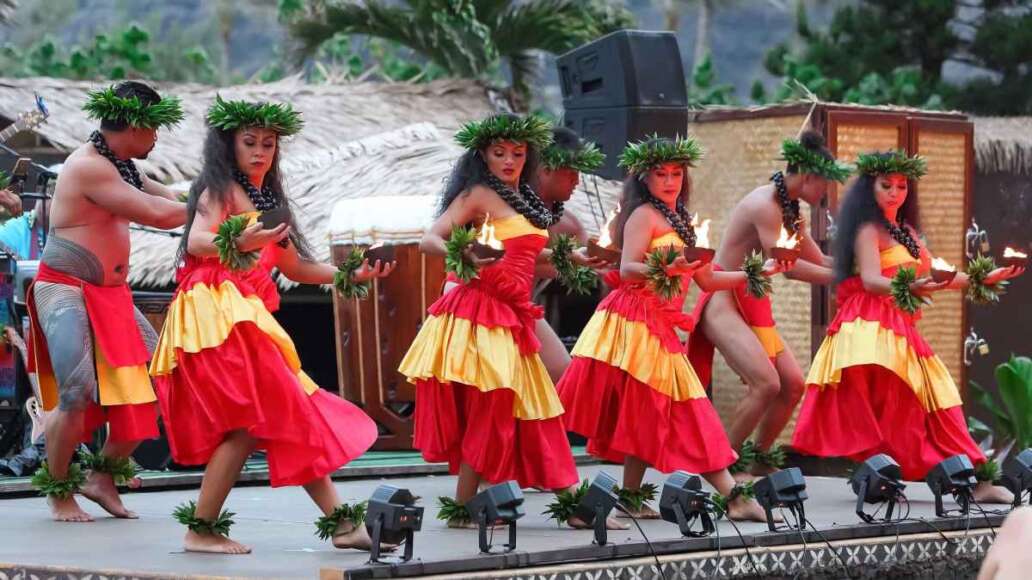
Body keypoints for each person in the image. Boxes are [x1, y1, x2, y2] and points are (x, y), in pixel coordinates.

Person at [149, 96, 393, 554]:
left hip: (245, 316)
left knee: (287, 413)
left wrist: (350, 273)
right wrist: (238, 241)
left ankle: (343, 524)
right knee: (249, 423)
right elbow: (197, 240)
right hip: (214, 314)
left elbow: (296, 267)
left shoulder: (270, 202)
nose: (260, 151)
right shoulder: (218, 190)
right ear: (230, 145)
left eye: (268, 143)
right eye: (250, 142)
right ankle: (201, 529)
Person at [556, 136, 782, 521]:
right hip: (633, 321)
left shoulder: (683, 223)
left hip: (658, 325)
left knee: (647, 412)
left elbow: (707, 280)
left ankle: (630, 497)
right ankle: (734, 497)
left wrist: (755, 273)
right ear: (645, 178)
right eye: (661, 174)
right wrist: (667, 267)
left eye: (676, 174)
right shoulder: (643, 215)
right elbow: (627, 269)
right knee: (686, 409)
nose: (670, 181)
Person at [791, 150, 1024, 499]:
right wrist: (911, 287)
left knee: (936, 399)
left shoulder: (907, 233)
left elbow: (936, 276)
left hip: (899, 326)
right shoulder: (868, 230)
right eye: (886, 185)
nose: (895, 193)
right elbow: (871, 280)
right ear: (870, 187)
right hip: (870, 324)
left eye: (902, 186)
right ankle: (895, 476)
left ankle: (969, 479)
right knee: (895, 406)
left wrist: (982, 278)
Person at [398, 114, 588, 528]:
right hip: (479, 310)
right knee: (495, 407)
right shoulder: (478, 194)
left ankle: (563, 503)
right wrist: (462, 251)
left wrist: (570, 257)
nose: (509, 161)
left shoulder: (523, 198)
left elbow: (523, 255)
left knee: (528, 403)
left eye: (517, 153)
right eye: (499, 153)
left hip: (512, 311)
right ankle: (473, 505)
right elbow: (430, 239)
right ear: (483, 154)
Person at [27, 81, 186, 522]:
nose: (157, 138)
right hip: (66, 289)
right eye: (154, 128)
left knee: (157, 380)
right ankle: (60, 491)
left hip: (110, 297)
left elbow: (170, 199)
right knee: (76, 393)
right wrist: (218, 207)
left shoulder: (122, 167)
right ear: (134, 126)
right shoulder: (88, 167)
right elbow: (157, 215)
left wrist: (213, 198)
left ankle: (102, 477)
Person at [687, 130, 851, 477]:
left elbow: (818, 259)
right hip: (724, 298)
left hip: (751, 300)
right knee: (766, 384)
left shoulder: (791, 208)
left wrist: (857, 269)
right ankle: (721, 469)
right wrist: (843, 278)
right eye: (824, 184)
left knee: (792, 384)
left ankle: (759, 461)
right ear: (807, 177)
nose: (825, 193)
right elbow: (790, 269)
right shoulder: (765, 206)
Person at [529, 126, 611, 384]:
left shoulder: (568, 224)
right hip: (483, 304)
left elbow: (596, 264)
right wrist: (571, 259)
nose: (577, 181)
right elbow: (512, 261)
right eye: (570, 173)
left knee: (562, 372)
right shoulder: (507, 208)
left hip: (521, 308)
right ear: (545, 170)